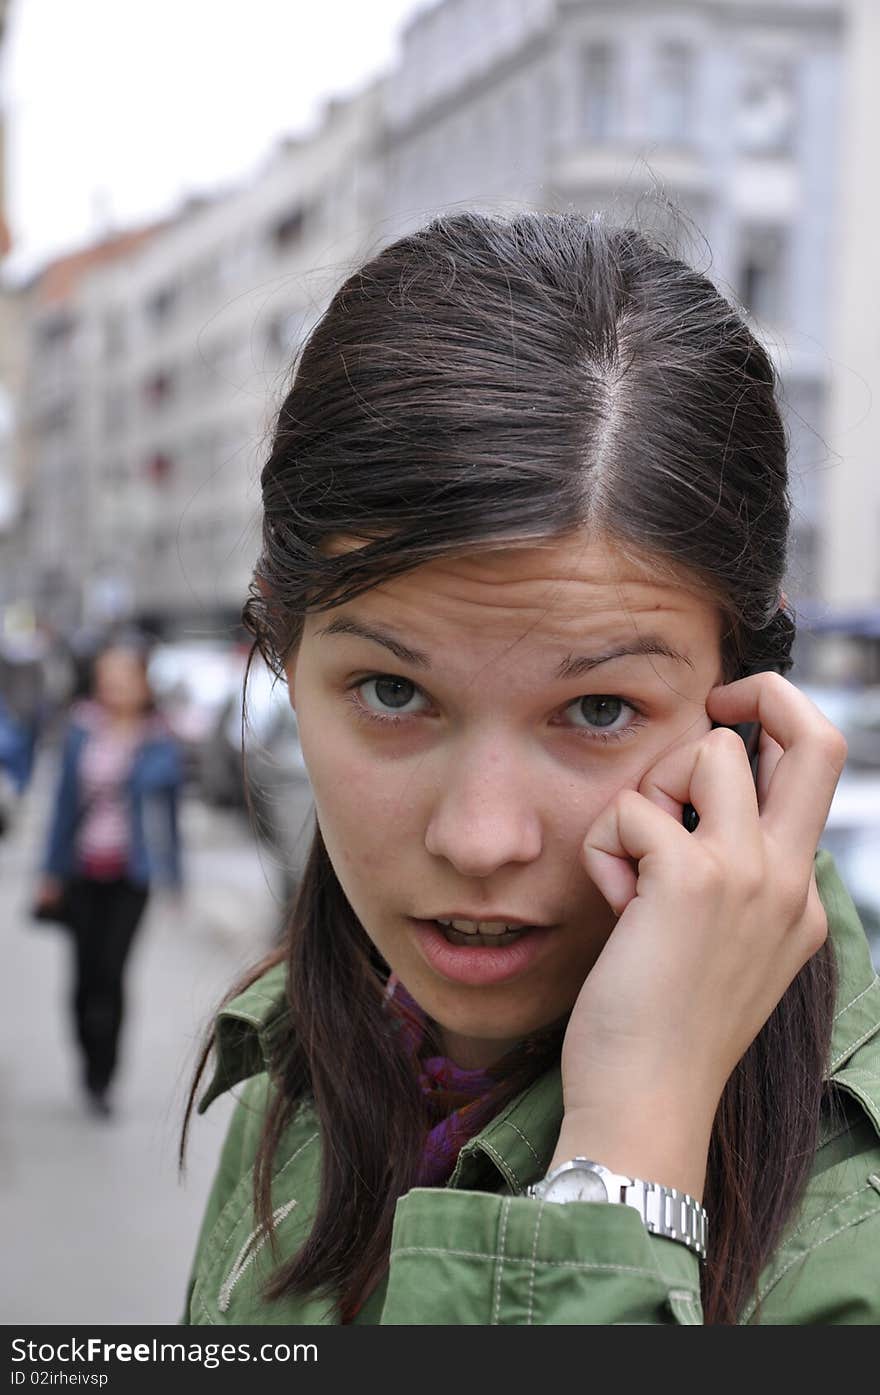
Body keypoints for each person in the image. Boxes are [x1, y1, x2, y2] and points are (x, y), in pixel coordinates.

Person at [180, 212, 879, 1326]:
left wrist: (627, 1165)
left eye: (596, 708)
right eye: (393, 694)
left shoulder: (847, 1240)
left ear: (746, 710)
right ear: (283, 652)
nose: (478, 836)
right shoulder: (338, 1037)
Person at [34, 637, 184, 1117]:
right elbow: (62, 807)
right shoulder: (81, 731)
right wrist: (50, 872)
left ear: (143, 684)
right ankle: (86, 1057)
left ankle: (104, 1077)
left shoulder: (161, 740)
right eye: (108, 679)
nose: (115, 687)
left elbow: (171, 819)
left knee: (113, 975)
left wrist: (175, 880)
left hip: (130, 879)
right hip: (81, 874)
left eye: (125, 678)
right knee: (83, 980)